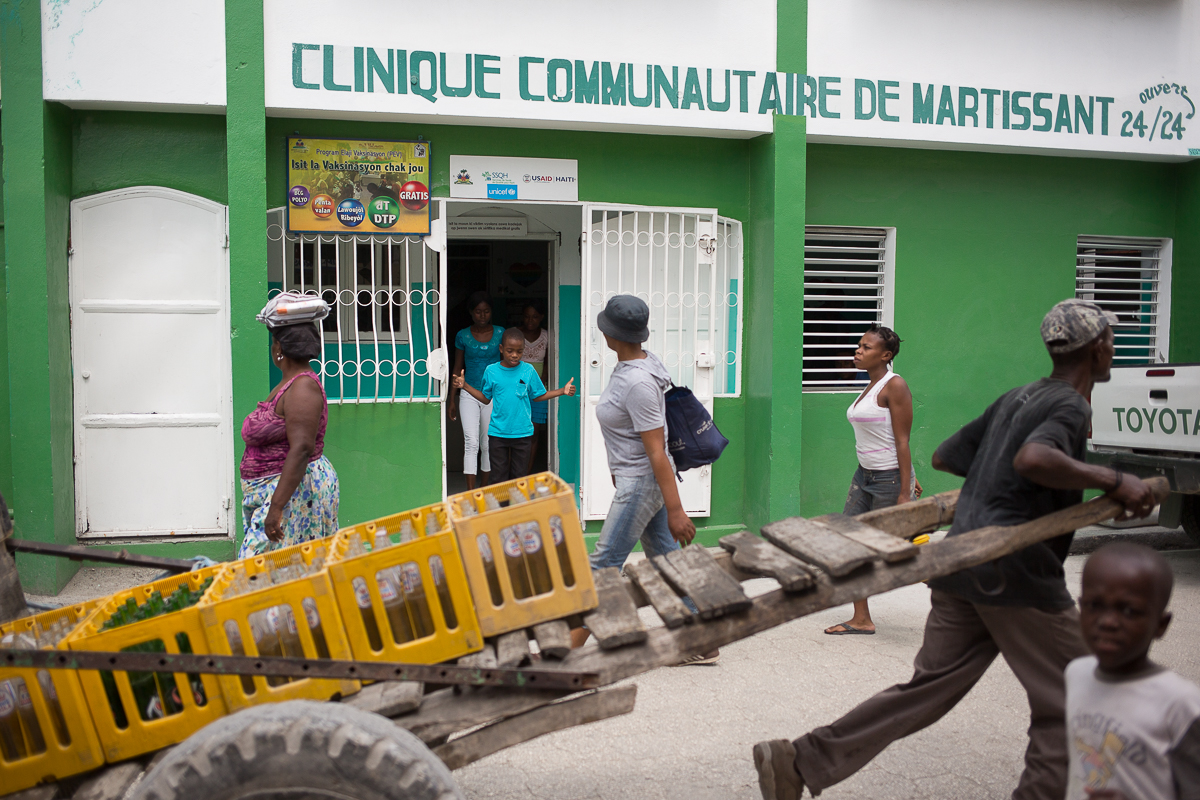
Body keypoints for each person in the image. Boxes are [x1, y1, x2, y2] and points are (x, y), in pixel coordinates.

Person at [752, 298, 1157, 800]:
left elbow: (947, 455)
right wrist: (1115, 479)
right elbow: (1034, 457)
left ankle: (801, 761)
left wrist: (998, 480)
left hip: (960, 560)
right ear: (1097, 349)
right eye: (1112, 342)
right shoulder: (1070, 405)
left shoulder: (1019, 396)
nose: (1113, 349)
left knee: (927, 689)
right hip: (1015, 569)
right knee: (1079, 695)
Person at [568, 295, 717, 665]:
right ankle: (699, 639)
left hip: (641, 484)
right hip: (636, 481)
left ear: (610, 334)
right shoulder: (642, 363)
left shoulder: (637, 381)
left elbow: (658, 451)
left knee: (602, 567)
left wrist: (677, 510)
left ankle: (562, 658)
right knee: (665, 561)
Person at [1065, 542, 1200, 800]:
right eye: (1094, 605)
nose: (1108, 622)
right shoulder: (1076, 674)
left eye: (1128, 610)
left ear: (1161, 625)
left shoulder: (1179, 703)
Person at [824, 324, 922, 636]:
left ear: (886, 355)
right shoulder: (869, 385)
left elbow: (902, 441)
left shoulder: (895, 385)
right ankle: (861, 619)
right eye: (859, 345)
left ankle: (961, 599)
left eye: (866, 347)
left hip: (889, 479)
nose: (858, 351)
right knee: (850, 544)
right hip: (864, 476)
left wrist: (905, 490)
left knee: (905, 553)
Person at [238, 310, 339, 558]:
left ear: (279, 347)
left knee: (253, 569)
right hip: (279, 490)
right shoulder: (288, 383)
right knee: (279, 571)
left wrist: (276, 506)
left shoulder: (303, 387)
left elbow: (302, 448)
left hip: (296, 492)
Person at [452, 328, 576, 483]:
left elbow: (539, 396)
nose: (515, 355)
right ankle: (502, 507)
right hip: (498, 434)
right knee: (498, 477)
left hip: (522, 434)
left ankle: (517, 507)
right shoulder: (491, 371)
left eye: (519, 351)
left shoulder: (528, 370)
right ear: (501, 349)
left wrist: (562, 391)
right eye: (510, 351)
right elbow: (485, 399)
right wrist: (465, 386)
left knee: (519, 478)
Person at [449, 292, 504, 489]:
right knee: (471, 443)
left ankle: (486, 489)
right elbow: (457, 367)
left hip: (493, 396)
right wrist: (452, 400)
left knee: (488, 444)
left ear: (491, 312)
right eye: (478, 312)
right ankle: (471, 493)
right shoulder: (462, 335)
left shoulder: (501, 334)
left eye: (486, 311)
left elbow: (508, 365)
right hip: (468, 393)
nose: (482, 316)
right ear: (471, 313)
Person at [520, 303, 551, 474]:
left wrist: (541, 381)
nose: (530, 320)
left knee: (534, 433)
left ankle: (527, 472)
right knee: (515, 432)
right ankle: (515, 473)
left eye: (534, 316)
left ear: (541, 317)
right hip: (516, 391)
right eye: (526, 316)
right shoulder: (515, 334)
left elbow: (548, 361)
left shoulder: (546, 336)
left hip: (538, 390)